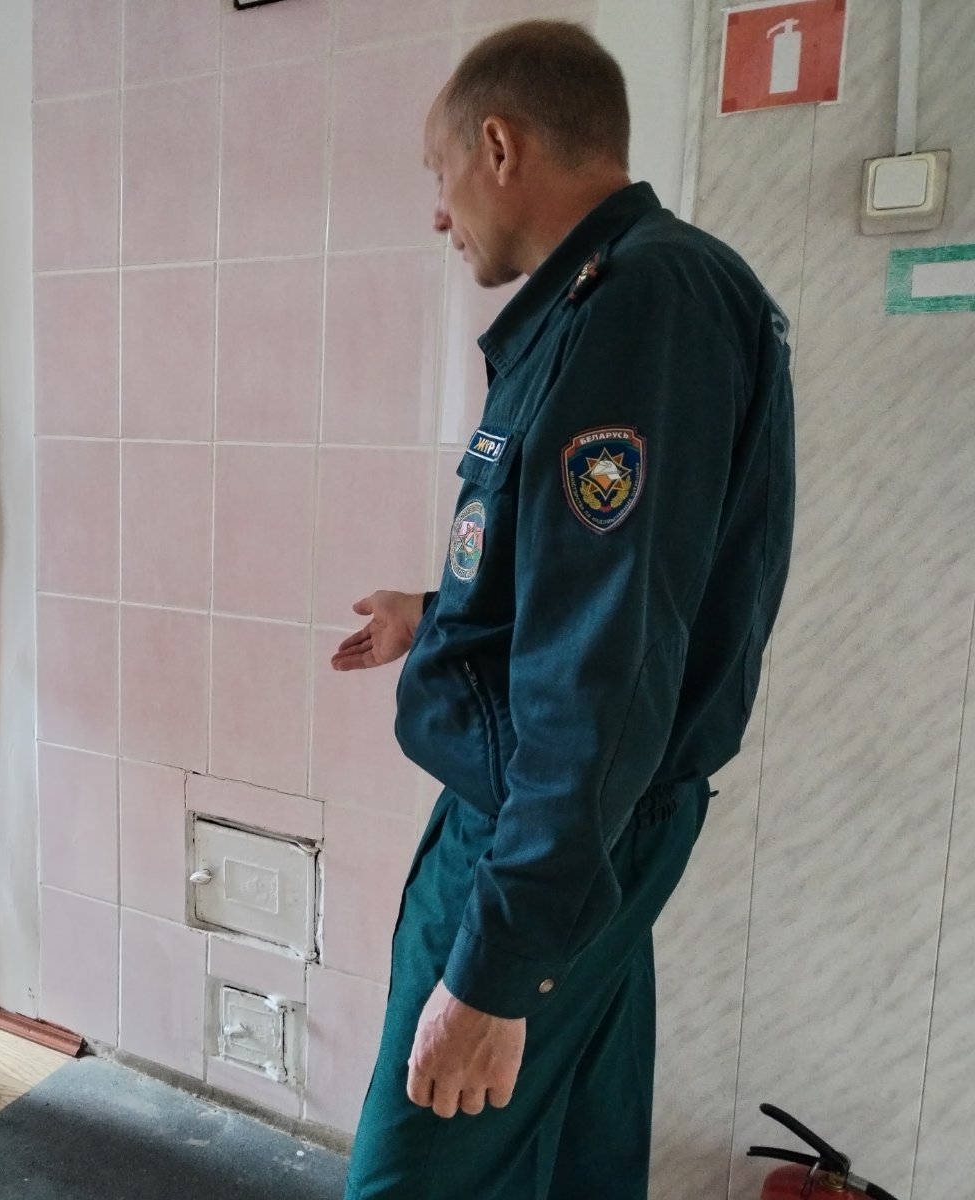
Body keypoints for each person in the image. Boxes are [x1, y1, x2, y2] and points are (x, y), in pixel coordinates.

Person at [331, 22, 794, 1200]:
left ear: (498, 146)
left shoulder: (641, 300)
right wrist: (439, 613)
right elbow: (599, 583)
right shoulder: (622, 295)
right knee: (566, 1160)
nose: (438, 214)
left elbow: (605, 659)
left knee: (413, 1170)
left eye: (439, 173)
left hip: (544, 829)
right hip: (571, 817)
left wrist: (498, 968)